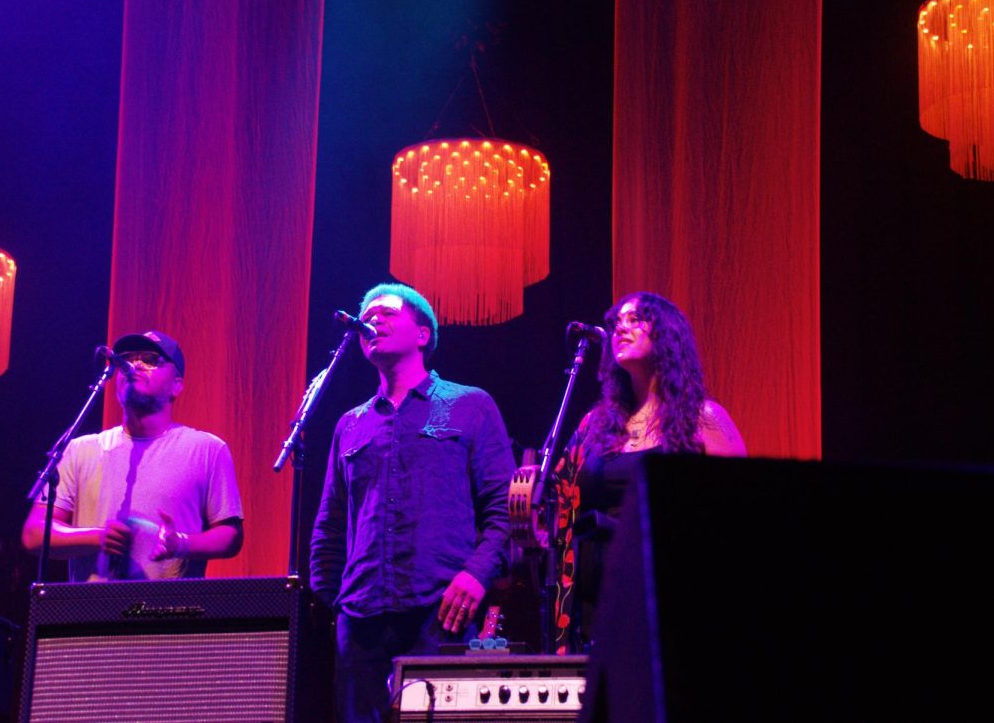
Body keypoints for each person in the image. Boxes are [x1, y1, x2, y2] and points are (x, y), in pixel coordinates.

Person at [309, 283, 514, 723]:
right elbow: (329, 524)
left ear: (423, 334)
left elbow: (504, 512)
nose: (373, 321)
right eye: (368, 315)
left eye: (386, 313)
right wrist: (336, 603)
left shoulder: (470, 405)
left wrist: (475, 575)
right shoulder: (351, 424)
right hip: (360, 620)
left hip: (440, 614)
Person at [553, 292, 746, 652]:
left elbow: (739, 513)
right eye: (617, 323)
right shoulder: (595, 425)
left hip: (672, 604)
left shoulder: (702, 419)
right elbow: (557, 500)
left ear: (667, 336)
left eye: (637, 319)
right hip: (599, 610)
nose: (621, 328)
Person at [21, 330, 243, 581]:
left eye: (150, 359)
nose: (135, 364)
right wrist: (98, 536)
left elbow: (230, 535)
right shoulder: (79, 450)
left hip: (171, 613)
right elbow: (35, 534)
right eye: (128, 357)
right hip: (90, 614)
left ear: (177, 385)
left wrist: (180, 544)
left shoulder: (207, 450)